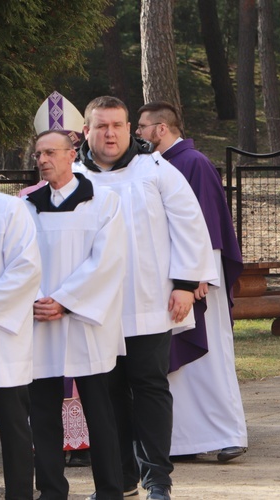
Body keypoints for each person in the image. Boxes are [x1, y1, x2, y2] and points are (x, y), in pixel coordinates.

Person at [77, 96, 217, 500]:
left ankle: (158, 480)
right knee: (107, 393)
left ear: (128, 128)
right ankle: (119, 479)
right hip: (94, 307)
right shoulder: (73, 176)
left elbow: (190, 224)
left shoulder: (156, 170)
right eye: (101, 126)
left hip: (150, 302)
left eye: (118, 125)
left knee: (151, 388)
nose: (110, 133)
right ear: (87, 131)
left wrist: (185, 284)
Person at [136, 101, 248, 462]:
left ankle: (229, 433)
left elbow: (207, 221)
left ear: (161, 129)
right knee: (178, 363)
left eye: (141, 127)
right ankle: (185, 441)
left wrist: (200, 273)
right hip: (175, 278)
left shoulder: (193, 162)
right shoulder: (158, 165)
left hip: (198, 281)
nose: (137, 133)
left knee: (211, 354)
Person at [24, 130, 127, 499]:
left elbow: (109, 260)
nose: (42, 160)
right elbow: (18, 260)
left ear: (71, 155)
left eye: (50, 152)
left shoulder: (104, 202)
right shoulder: (27, 206)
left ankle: (111, 490)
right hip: (40, 320)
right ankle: (51, 490)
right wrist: (36, 299)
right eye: (38, 154)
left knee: (100, 409)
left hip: (85, 320)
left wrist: (66, 300)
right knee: (44, 410)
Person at [0, 188, 42, 500]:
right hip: (1, 324)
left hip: (2, 333)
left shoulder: (9, 208)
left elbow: (26, 269)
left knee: (12, 418)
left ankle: (19, 494)